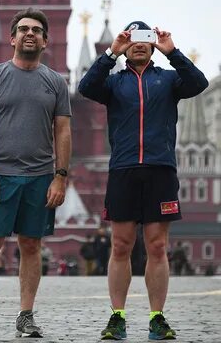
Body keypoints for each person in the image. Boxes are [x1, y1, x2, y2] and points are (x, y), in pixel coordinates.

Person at [79, 21, 208, 340]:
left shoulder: (168, 80)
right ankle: (117, 317)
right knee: (121, 245)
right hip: (123, 170)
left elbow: (198, 83)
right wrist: (111, 52)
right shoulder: (113, 83)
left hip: (160, 169)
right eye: (132, 38)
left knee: (157, 245)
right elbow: (86, 88)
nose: (139, 44)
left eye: (145, 39)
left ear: (152, 45)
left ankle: (157, 317)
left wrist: (173, 51)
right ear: (125, 44)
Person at [0, 8, 72, 338]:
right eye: (23, 29)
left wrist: (60, 176)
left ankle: (26, 315)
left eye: (36, 30)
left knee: (31, 246)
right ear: (12, 38)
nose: (30, 33)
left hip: (39, 178)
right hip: (0, 178)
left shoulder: (55, 82)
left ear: (46, 41)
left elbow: (63, 131)